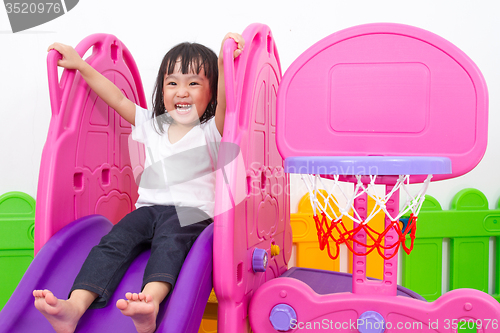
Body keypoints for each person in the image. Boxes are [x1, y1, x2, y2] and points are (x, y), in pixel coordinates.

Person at [33, 32, 244, 333]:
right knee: (112, 243)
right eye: (172, 83)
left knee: (169, 244)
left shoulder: (212, 131)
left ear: (210, 92)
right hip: (148, 209)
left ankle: (150, 303)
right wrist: (81, 65)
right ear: (162, 89)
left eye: (193, 83)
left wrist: (224, 65)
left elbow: (226, 104)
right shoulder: (153, 126)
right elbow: (117, 98)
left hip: (190, 212)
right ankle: (74, 306)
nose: (181, 91)